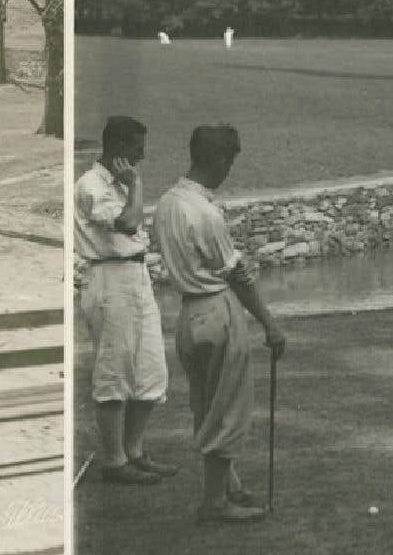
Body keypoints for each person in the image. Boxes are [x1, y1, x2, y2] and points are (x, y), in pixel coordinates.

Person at [155, 124, 286, 524]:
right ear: (216, 159)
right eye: (229, 161)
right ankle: (215, 503)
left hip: (187, 315)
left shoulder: (167, 202)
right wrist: (269, 323)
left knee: (206, 403)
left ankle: (228, 485)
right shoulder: (205, 213)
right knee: (227, 409)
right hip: (216, 311)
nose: (229, 170)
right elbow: (237, 276)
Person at [74, 116, 174, 486]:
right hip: (108, 279)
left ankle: (135, 452)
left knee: (151, 368)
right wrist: (137, 185)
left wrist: (132, 184)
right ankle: (114, 462)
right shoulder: (92, 186)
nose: (142, 154)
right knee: (114, 369)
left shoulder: (120, 183)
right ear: (117, 147)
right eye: (136, 147)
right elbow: (129, 224)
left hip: (136, 277)